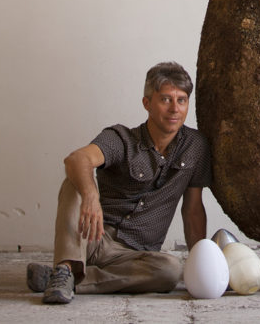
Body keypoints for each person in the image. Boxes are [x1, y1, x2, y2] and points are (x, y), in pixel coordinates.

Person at [26, 61, 211, 304]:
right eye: (165, 99)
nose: (174, 109)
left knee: (169, 270)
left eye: (182, 100)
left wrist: (202, 265)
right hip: (92, 237)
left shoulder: (195, 147)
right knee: (74, 182)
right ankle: (66, 266)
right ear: (147, 103)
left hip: (135, 258)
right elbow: (77, 159)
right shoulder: (121, 139)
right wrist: (91, 196)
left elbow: (193, 209)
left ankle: (66, 279)